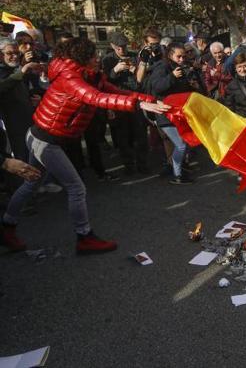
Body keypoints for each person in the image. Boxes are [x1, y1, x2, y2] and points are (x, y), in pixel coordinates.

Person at [0, 37, 169, 253]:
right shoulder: (70, 77)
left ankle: (7, 226)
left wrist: (149, 100)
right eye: (93, 55)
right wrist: (138, 104)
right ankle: (84, 237)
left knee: (31, 184)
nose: (97, 58)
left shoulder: (88, 74)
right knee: (76, 187)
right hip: (45, 139)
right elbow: (96, 97)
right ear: (83, 58)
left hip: (43, 136)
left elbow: (113, 91)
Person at [102, 32, 150, 175]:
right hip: (119, 103)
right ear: (112, 46)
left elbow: (143, 80)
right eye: (118, 47)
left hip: (135, 100)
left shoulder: (135, 56)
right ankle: (128, 165)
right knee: (123, 136)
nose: (122, 50)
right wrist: (115, 70)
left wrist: (134, 69)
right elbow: (103, 82)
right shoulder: (107, 60)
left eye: (123, 46)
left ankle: (142, 164)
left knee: (141, 134)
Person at [149, 42, 197, 185]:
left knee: (185, 143)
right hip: (165, 114)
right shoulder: (162, 67)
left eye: (184, 56)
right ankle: (177, 175)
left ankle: (179, 169)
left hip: (177, 113)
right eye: (179, 56)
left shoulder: (178, 67)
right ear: (170, 55)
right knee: (181, 145)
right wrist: (172, 76)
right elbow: (156, 87)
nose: (182, 59)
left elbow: (182, 90)